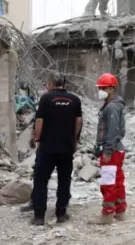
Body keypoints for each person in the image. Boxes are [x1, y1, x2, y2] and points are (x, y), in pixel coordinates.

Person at [31, 72, 82, 226]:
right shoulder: (74, 99)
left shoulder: (46, 99)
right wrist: (75, 140)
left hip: (47, 148)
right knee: (64, 180)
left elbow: (39, 121)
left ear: (51, 84)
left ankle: (39, 216)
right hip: (66, 147)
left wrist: (37, 138)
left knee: (41, 180)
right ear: (64, 84)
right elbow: (78, 121)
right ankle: (61, 213)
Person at [88, 73, 127, 225]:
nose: (100, 91)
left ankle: (107, 214)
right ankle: (120, 211)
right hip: (117, 149)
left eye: (103, 88)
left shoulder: (111, 107)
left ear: (112, 89)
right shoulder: (115, 105)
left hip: (112, 150)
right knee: (117, 181)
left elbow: (111, 131)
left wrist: (108, 151)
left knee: (108, 182)